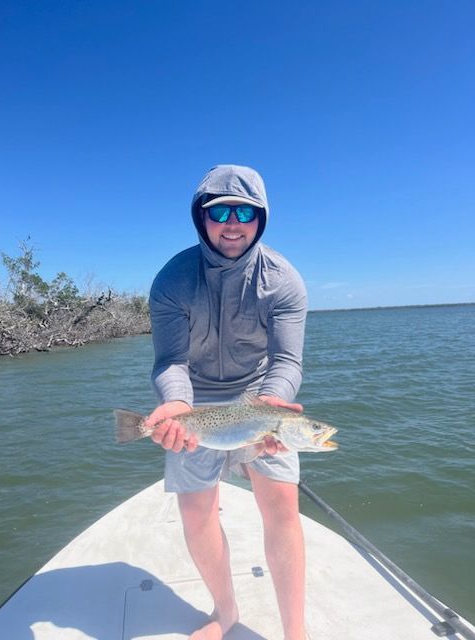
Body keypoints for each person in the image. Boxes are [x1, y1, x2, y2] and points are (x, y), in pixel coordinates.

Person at [145, 164, 308, 640]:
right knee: (196, 512)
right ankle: (226, 611)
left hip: (260, 392)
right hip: (193, 398)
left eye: (245, 211)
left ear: (261, 218)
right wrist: (175, 405)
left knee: (281, 507)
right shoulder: (172, 281)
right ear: (201, 217)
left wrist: (272, 409)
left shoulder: (284, 281)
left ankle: (296, 633)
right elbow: (170, 360)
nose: (232, 222)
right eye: (219, 211)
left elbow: (286, 361)